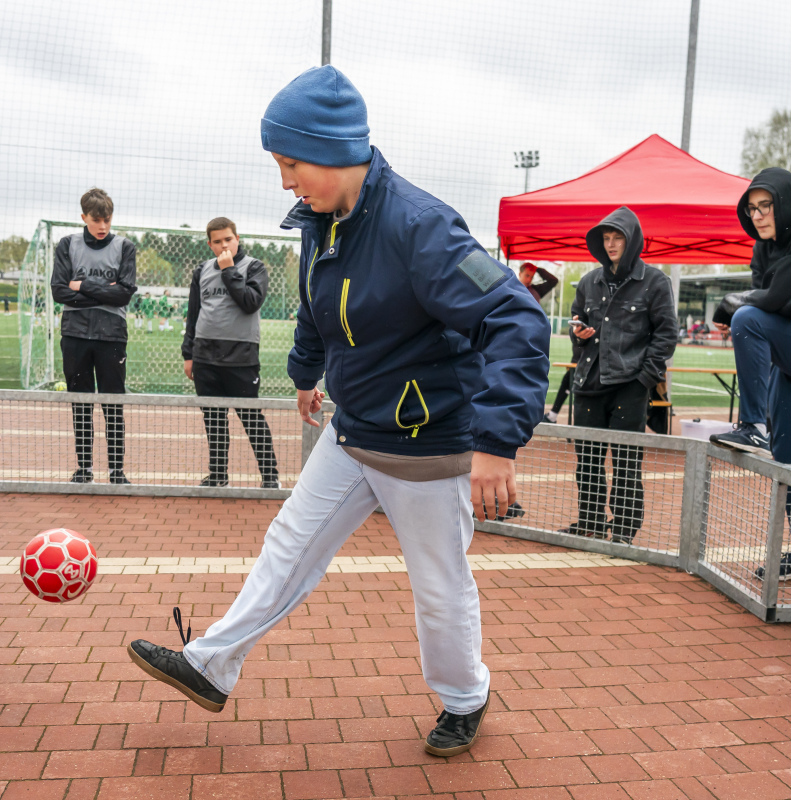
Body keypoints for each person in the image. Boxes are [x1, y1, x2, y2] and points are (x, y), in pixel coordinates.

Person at [127, 66, 549, 758]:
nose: (285, 181)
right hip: (352, 429)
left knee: (438, 588)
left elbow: (515, 320)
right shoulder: (318, 224)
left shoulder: (421, 226)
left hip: (425, 440)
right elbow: (317, 311)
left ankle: (463, 697)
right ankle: (210, 663)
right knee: (288, 544)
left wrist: (497, 441)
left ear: (332, 148)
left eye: (291, 164)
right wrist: (303, 374)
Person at [709, 168, 791, 579]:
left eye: (765, 205)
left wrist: (736, 302)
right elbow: (781, 302)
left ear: (786, 201)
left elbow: (771, 298)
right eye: (751, 208)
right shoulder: (761, 249)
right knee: (789, 450)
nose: (757, 215)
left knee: (748, 317)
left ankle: (752, 424)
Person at [560, 207, 677, 542]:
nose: (611, 244)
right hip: (587, 383)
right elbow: (576, 326)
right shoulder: (587, 282)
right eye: (606, 239)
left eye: (617, 238)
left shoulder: (655, 282)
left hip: (630, 386)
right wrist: (578, 333)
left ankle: (624, 529)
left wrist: (644, 379)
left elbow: (667, 334)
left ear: (633, 241)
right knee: (588, 462)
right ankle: (591, 523)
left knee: (626, 463)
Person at [182, 217, 280, 489]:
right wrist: (188, 354)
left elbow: (250, 303)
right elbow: (193, 313)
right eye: (217, 241)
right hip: (205, 356)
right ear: (209, 244)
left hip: (241, 356)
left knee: (251, 418)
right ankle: (218, 475)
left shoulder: (254, 267)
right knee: (213, 419)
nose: (224, 245)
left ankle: (270, 477)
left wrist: (228, 271)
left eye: (228, 239)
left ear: (237, 238)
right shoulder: (201, 270)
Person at [51, 188, 137, 485]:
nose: (103, 226)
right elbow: (59, 291)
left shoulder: (125, 247)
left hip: (112, 336)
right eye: (96, 220)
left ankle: (117, 471)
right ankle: (84, 468)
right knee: (81, 404)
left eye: (107, 219)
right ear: (84, 217)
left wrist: (81, 286)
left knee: (113, 404)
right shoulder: (67, 244)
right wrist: (104, 293)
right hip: (74, 333)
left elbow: (124, 294)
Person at [544, 341, 582, 423]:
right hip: (579, 363)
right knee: (567, 383)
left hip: (583, 364)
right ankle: (552, 416)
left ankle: (552, 416)